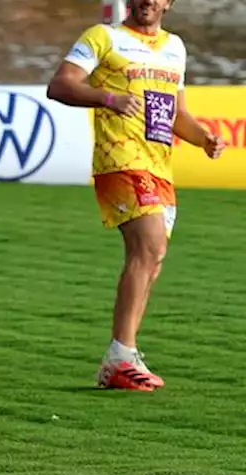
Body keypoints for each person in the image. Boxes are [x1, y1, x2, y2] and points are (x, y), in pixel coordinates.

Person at [47, 0, 224, 391]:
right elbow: (59, 85)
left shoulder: (175, 47)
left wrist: (203, 139)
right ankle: (121, 353)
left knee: (152, 259)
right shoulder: (103, 36)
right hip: (121, 160)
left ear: (168, 3)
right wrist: (108, 98)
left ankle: (121, 358)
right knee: (150, 246)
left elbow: (177, 114)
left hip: (159, 165)